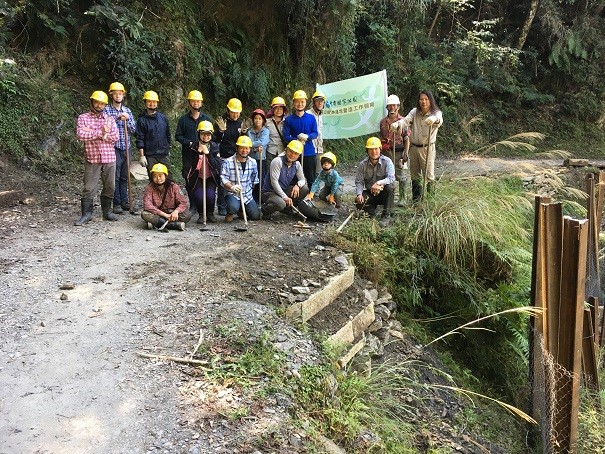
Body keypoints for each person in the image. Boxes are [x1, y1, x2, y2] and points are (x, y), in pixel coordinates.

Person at [75, 90, 120, 226]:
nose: (99, 105)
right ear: (92, 102)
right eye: (97, 102)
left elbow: (115, 137)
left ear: (105, 105)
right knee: (89, 187)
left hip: (109, 157)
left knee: (110, 186)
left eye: (102, 103)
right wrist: (101, 133)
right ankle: (86, 214)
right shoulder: (83, 118)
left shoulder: (110, 119)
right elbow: (81, 135)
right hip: (92, 158)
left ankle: (107, 212)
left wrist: (93, 133)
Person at [391, 90, 443, 202]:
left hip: (427, 148)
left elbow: (439, 120)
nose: (423, 102)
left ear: (430, 100)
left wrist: (434, 119)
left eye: (426, 99)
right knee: (414, 175)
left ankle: (429, 201)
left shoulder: (436, 112)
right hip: (414, 147)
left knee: (428, 175)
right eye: (421, 99)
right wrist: (398, 124)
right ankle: (416, 201)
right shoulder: (415, 112)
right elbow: (406, 121)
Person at [104, 82, 136, 214]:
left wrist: (127, 120)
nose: (118, 95)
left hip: (126, 147)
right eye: (115, 93)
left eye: (120, 93)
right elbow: (104, 126)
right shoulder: (106, 110)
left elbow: (134, 129)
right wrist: (117, 118)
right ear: (111, 94)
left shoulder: (127, 111)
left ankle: (124, 201)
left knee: (124, 176)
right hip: (113, 147)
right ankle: (116, 203)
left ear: (123, 95)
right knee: (115, 176)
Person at [213, 98, 248, 216]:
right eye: (233, 112)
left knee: (237, 181)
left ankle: (236, 206)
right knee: (223, 182)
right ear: (228, 110)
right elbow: (214, 140)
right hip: (223, 156)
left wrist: (243, 132)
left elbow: (244, 141)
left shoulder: (240, 123)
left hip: (236, 156)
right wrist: (220, 132)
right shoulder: (221, 121)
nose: (235, 114)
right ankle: (221, 206)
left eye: (237, 112)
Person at [183, 121, 221, 223]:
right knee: (199, 195)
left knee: (210, 195)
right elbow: (190, 166)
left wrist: (208, 154)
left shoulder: (214, 147)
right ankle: (201, 214)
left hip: (210, 176)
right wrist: (199, 152)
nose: (205, 136)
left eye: (208, 134)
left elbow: (217, 165)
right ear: (198, 134)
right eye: (203, 134)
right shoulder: (193, 147)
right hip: (198, 176)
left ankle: (210, 213)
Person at [261, 139, 309, 219]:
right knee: (281, 203)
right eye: (291, 151)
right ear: (286, 150)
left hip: (283, 190)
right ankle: (265, 210)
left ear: (299, 156)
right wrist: (285, 197)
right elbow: (274, 182)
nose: (292, 155)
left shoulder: (297, 164)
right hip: (269, 192)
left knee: (304, 189)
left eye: (296, 153)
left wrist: (297, 185)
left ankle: (286, 208)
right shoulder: (277, 161)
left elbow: (302, 180)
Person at [354, 137, 396, 227]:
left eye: (376, 149)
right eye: (371, 149)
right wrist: (359, 194)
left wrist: (379, 183)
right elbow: (359, 182)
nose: (374, 152)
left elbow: (391, 178)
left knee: (390, 187)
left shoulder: (387, 161)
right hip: (371, 194)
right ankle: (372, 213)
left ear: (380, 149)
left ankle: (386, 215)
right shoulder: (363, 165)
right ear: (367, 151)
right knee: (358, 201)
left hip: (384, 193)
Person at [220, 136, 261, 222]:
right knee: (233, 207)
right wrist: (232, 187)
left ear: (250, 149)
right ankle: (231, 212)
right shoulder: (228, 162)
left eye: (247, 148)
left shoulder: (253, 162)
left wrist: (250, 188)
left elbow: (254, 179)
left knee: (256, 216)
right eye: (242, 148)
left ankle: (241, 210)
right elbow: (223, 179)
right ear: (237, 148)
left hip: (247, 195)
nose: (244, 150)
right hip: (233, 194)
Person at [283, 90, 318, 187]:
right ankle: (294, 198)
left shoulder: (311, 118)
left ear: (306, 103)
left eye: (302, 101)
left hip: (308, 152)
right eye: (297, 101)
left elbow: (315, 133)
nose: (300, 104)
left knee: (310, 177)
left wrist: (308, 137)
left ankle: (311, 197)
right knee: (293, 177)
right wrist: (296, 140)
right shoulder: (289, 119)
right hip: (294, 153)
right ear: (293, 103)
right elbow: (285, 136)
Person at [141, 163, 192, 231]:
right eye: (155, 176)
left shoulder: (173, 187)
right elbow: (147, 205)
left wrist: (176, 211)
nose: (158, 178)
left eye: (160, 175)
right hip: (158, 213)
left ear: (165, 176)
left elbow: (183, 203)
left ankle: (157, 223)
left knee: (187, 215)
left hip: (172, 213)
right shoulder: (149, 188)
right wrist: (164, 215)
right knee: (144, 214)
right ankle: (173, 225)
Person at [380, 94, 410, 206]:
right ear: (387, 107)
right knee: (387, 175)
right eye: (389, 106)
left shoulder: (403, 121)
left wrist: (405, 153)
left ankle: (402, 199)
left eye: (394, 105)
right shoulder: (383, 122)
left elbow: (407, 138)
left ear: (398, 106)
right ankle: (388, 199)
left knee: (401, 176)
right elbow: (382, 138)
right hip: (386, 152)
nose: (392, 108)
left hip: (399, 152)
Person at [175, 90, 212, 179]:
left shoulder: (206, 119)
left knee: (203, 177)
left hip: (203, 153)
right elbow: (178, 136)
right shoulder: (183, 120)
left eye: (198, 101)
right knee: (188, 177)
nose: (196, 103)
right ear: (189, 103)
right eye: (193, 101)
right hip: (188, 154)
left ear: (201, 103)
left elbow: (211, 136)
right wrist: (189, 143)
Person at [136, 90, 171, 178]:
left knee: (168, 178)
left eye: (154, 102)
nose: (152, 104)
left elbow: (168, 135)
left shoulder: (163, 118)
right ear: (145, 103)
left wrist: (168, 148)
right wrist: (142, 156)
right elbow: (140, 139)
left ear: (157, 103)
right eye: (149, 101)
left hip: (164, 154)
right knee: (154, 179)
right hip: (150, 156)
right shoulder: (142, 120)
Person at [247, 108, 270, 202]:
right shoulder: (249, 131)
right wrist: (255, 147)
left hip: (261, 158)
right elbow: (247, 143)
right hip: (251, 159)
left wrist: (251, 145)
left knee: (261, 179)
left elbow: (263, 142)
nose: (257, 120)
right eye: (256, 118)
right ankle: (252, 199)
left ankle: (261, 199)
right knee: (251, 179)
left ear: (263, 120)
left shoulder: (266, 131)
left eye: (260, 118)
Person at [307, 90, 326, 173]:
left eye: (321, 101)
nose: (320, 103)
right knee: (309, 173)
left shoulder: (321, 115)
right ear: (313, 102)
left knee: (318, 173)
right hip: (310, 149)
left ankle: (316, 187)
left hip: (319, 149)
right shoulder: (307, 114)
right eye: (317, 101)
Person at [266, 96, 288, 162]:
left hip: (282, 151)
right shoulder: (267, 122)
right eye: (276, 108)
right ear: (272, 109)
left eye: (280, 108)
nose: (278, 111)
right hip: (270, 151)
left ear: (283, 110)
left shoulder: (286, 122)